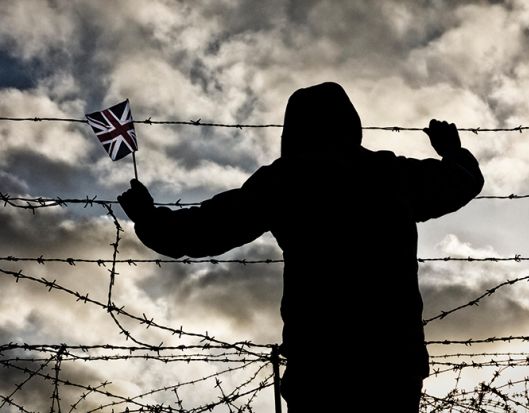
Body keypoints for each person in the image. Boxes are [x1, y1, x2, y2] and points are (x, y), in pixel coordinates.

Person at [118, 82, 484, 412]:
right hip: (392, 360)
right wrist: (452, 151)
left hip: (320, 362)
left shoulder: (286, 181)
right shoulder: (390, 175)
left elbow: (204, 231)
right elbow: (461, 183)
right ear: (350, 124)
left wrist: (148, 218)